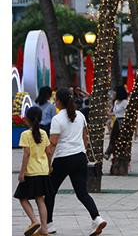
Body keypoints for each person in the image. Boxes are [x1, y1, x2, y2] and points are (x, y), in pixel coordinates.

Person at [45, 88, 107, 235]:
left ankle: (49, 224)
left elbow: (52, 144)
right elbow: (86, 138)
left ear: (59, 101)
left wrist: (48, 163)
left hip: (63, 159)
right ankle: (97, 218)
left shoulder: (57, 119)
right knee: (82, 193)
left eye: (56, 100)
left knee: (50, 191)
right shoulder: (79, 115)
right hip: (80, 157)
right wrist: (82, 151)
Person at [14, 107, 51, 236]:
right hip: (43, 171)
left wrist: (21, 172)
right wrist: (49, 166)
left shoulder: (25, 134)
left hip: (31, 172)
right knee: (40, 200)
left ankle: (34, 221)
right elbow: (49, 152)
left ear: (28, 119)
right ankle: (44, 229)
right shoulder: (44, 133)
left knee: (22, 197)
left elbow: (26, 154)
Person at [105, 86, 129, 160]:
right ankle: (109, 153)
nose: (114, 93)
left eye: (115, 91)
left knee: (117, 138)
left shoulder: (125, 102)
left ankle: (109, 153)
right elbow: (114, 112)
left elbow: (127, 112)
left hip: (122, 121)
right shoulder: (115, 102)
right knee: (112, 137)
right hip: (116, 120)